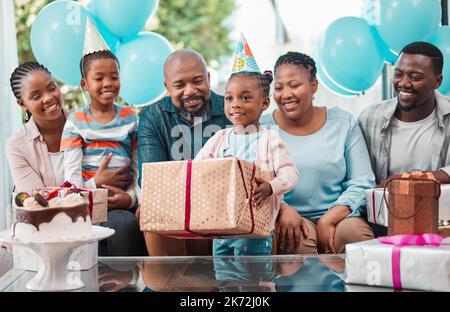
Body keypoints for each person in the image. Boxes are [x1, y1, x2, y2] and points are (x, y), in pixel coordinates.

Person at [6, 60, 144, 256]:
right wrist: (94, 183)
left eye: (51, 88)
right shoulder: (17, 145)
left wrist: (130, 198)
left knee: (123, 225)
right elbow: (38, 201)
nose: (48, 98)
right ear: (22, 104)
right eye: (36, 96)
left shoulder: (84, 122)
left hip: (102, 210)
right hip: (50, 224)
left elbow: (131, 161)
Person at [260, 51, 376, 254]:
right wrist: (281, 210)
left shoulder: (343, 123)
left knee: (356, 237)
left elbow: (362, 181)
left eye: (294, 85)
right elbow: (253, 183)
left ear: (314, 85)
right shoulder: (261, 128)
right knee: (295, 242)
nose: (286, 94)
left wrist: (328, 219)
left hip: (338, 216)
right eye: (278, 88)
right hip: (288, 218)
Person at [195, 34, 298, 256]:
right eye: (229, 98)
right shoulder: (219, 138)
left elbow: (290, 173)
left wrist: (271, 187)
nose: (235, 104)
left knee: (254, 278)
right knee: (224, 278)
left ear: (264, 103)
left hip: (255, 230)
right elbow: (197, 169)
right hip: (221, 227)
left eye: (245, 98)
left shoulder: (269, 139)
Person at [137, 49, 231, 256]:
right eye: (180, 85)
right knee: (153, 211)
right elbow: (153, 180)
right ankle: (176, 286)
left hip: (224, 209)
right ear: (167, 87)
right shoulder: (153, 117)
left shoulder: (231, 110)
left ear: (208, 78)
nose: (190, 91)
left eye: (197, 81)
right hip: (175, 210)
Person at [358, 41, 450, 186]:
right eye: (398, 74)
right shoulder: (369, 118)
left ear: (437, 82)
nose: (404, 83)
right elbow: (357, 177)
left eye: (415, 77)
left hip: (440, 208)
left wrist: (406, 180)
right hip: (384, 208)